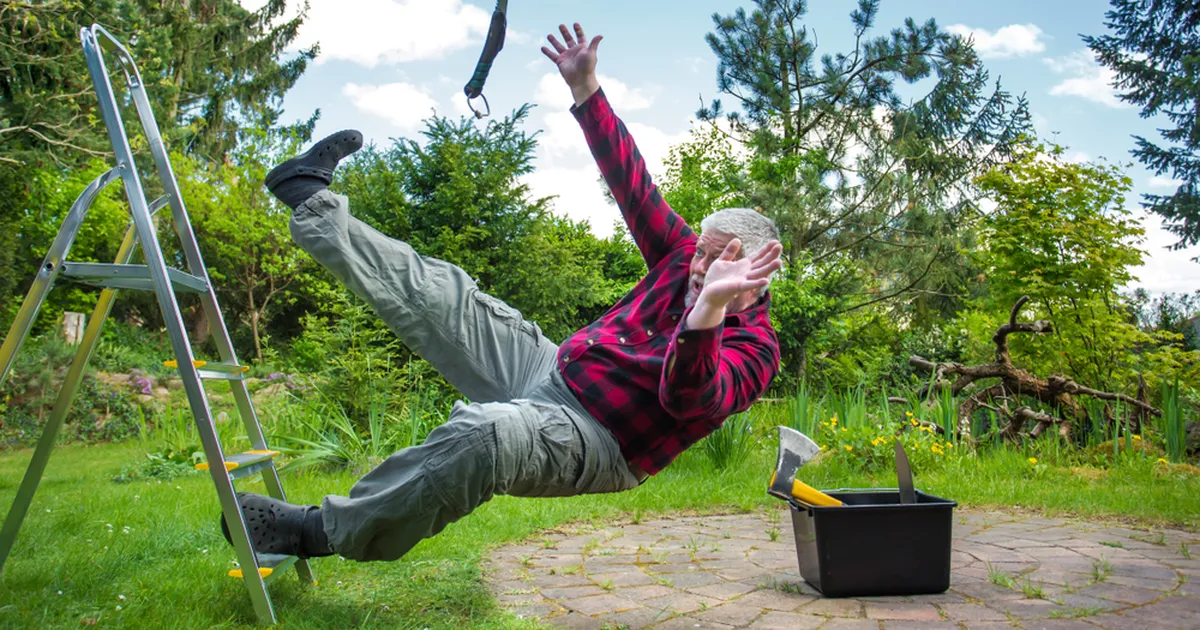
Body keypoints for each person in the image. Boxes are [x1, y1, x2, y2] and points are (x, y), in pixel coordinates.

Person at [221, 23, 784, 563]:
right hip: (552, 368)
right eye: (702, 250)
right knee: (444, 293)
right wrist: (584, 86)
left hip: (597, 441)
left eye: (719, 257)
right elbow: (631, 181)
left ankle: (316, 530)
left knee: (488, 434)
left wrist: (708, 309)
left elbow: (690, 400)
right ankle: (307, 197)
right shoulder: (681, 255)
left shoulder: (757, 350)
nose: (700, 264)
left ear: (757, 272)